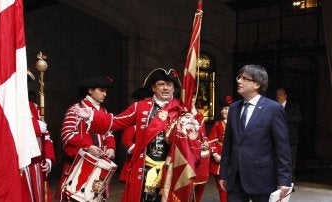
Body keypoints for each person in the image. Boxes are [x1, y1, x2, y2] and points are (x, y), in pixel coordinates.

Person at [75, 68, 202, 201]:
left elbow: (193, 143)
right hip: (144, 169)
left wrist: (190, 127)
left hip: (170, 170)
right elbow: (116, 121)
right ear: (153, 88)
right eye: (161, 84)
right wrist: (92, 115)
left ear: (174, 89)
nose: (165, 88)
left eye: (169, 85)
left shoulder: (181, 109)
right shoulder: (140, 107)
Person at [219, 64, 292, 202]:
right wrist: (223, 173)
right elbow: (228, 144)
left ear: (257, 84)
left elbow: (282, 147)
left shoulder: (273, 109)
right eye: (238, 77)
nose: (239, 81)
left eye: (244, 78)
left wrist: (284, 179)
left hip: (262, 178)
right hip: (235, 178)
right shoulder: (234, 108)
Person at [55, 76, 116, 201]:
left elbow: (109, 133)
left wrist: (111, 148)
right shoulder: (76, 109)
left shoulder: (104, 111)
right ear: (90, 91)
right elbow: (67, 134)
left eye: (106, 91)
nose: (105, 94)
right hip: (79, 165)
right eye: (101, 90)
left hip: (100, 166)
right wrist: (88, 147)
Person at [21, 71, 55, 202]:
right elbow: (10, 130)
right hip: (20, 166)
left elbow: (46, 137)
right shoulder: (7, 107)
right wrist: (34, 126)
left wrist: (49, 159)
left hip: (36, 165)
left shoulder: (34, 107)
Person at [276, 88, 302, 188]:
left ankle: (290, 183)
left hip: (291, 139)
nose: (278, 97)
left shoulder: (293, 106)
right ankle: (279, 182)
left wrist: (284, 118)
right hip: (278, 139)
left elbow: (299, 118)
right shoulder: (275, 107)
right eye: (277, 95)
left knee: (291, 161)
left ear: (285, 96)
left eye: (280, 95)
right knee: (279, 161)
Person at [208, 95, 233, 202]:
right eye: (222, 109)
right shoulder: (217, 124)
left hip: (233, 158)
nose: (223, 111)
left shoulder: (236, 123)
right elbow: (210, 141)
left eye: (226, 108)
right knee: (221, 185)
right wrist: (215, 154)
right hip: (220, 159)